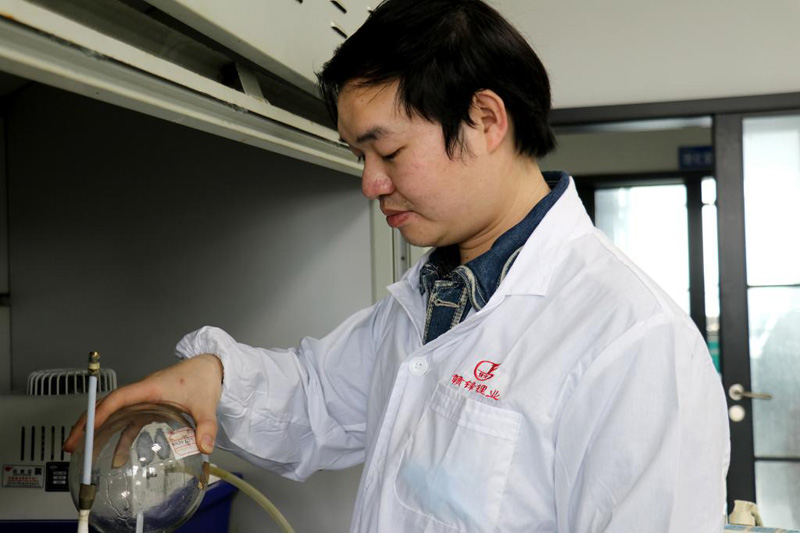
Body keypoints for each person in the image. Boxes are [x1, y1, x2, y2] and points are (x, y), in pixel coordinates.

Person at [65, 0, 730, 530]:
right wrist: (215, 375)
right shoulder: (435, 297)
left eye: (388, 152)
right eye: (359, 157)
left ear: (485, 119)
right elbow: (320, 397)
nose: (370, 183)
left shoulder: (631, 341)